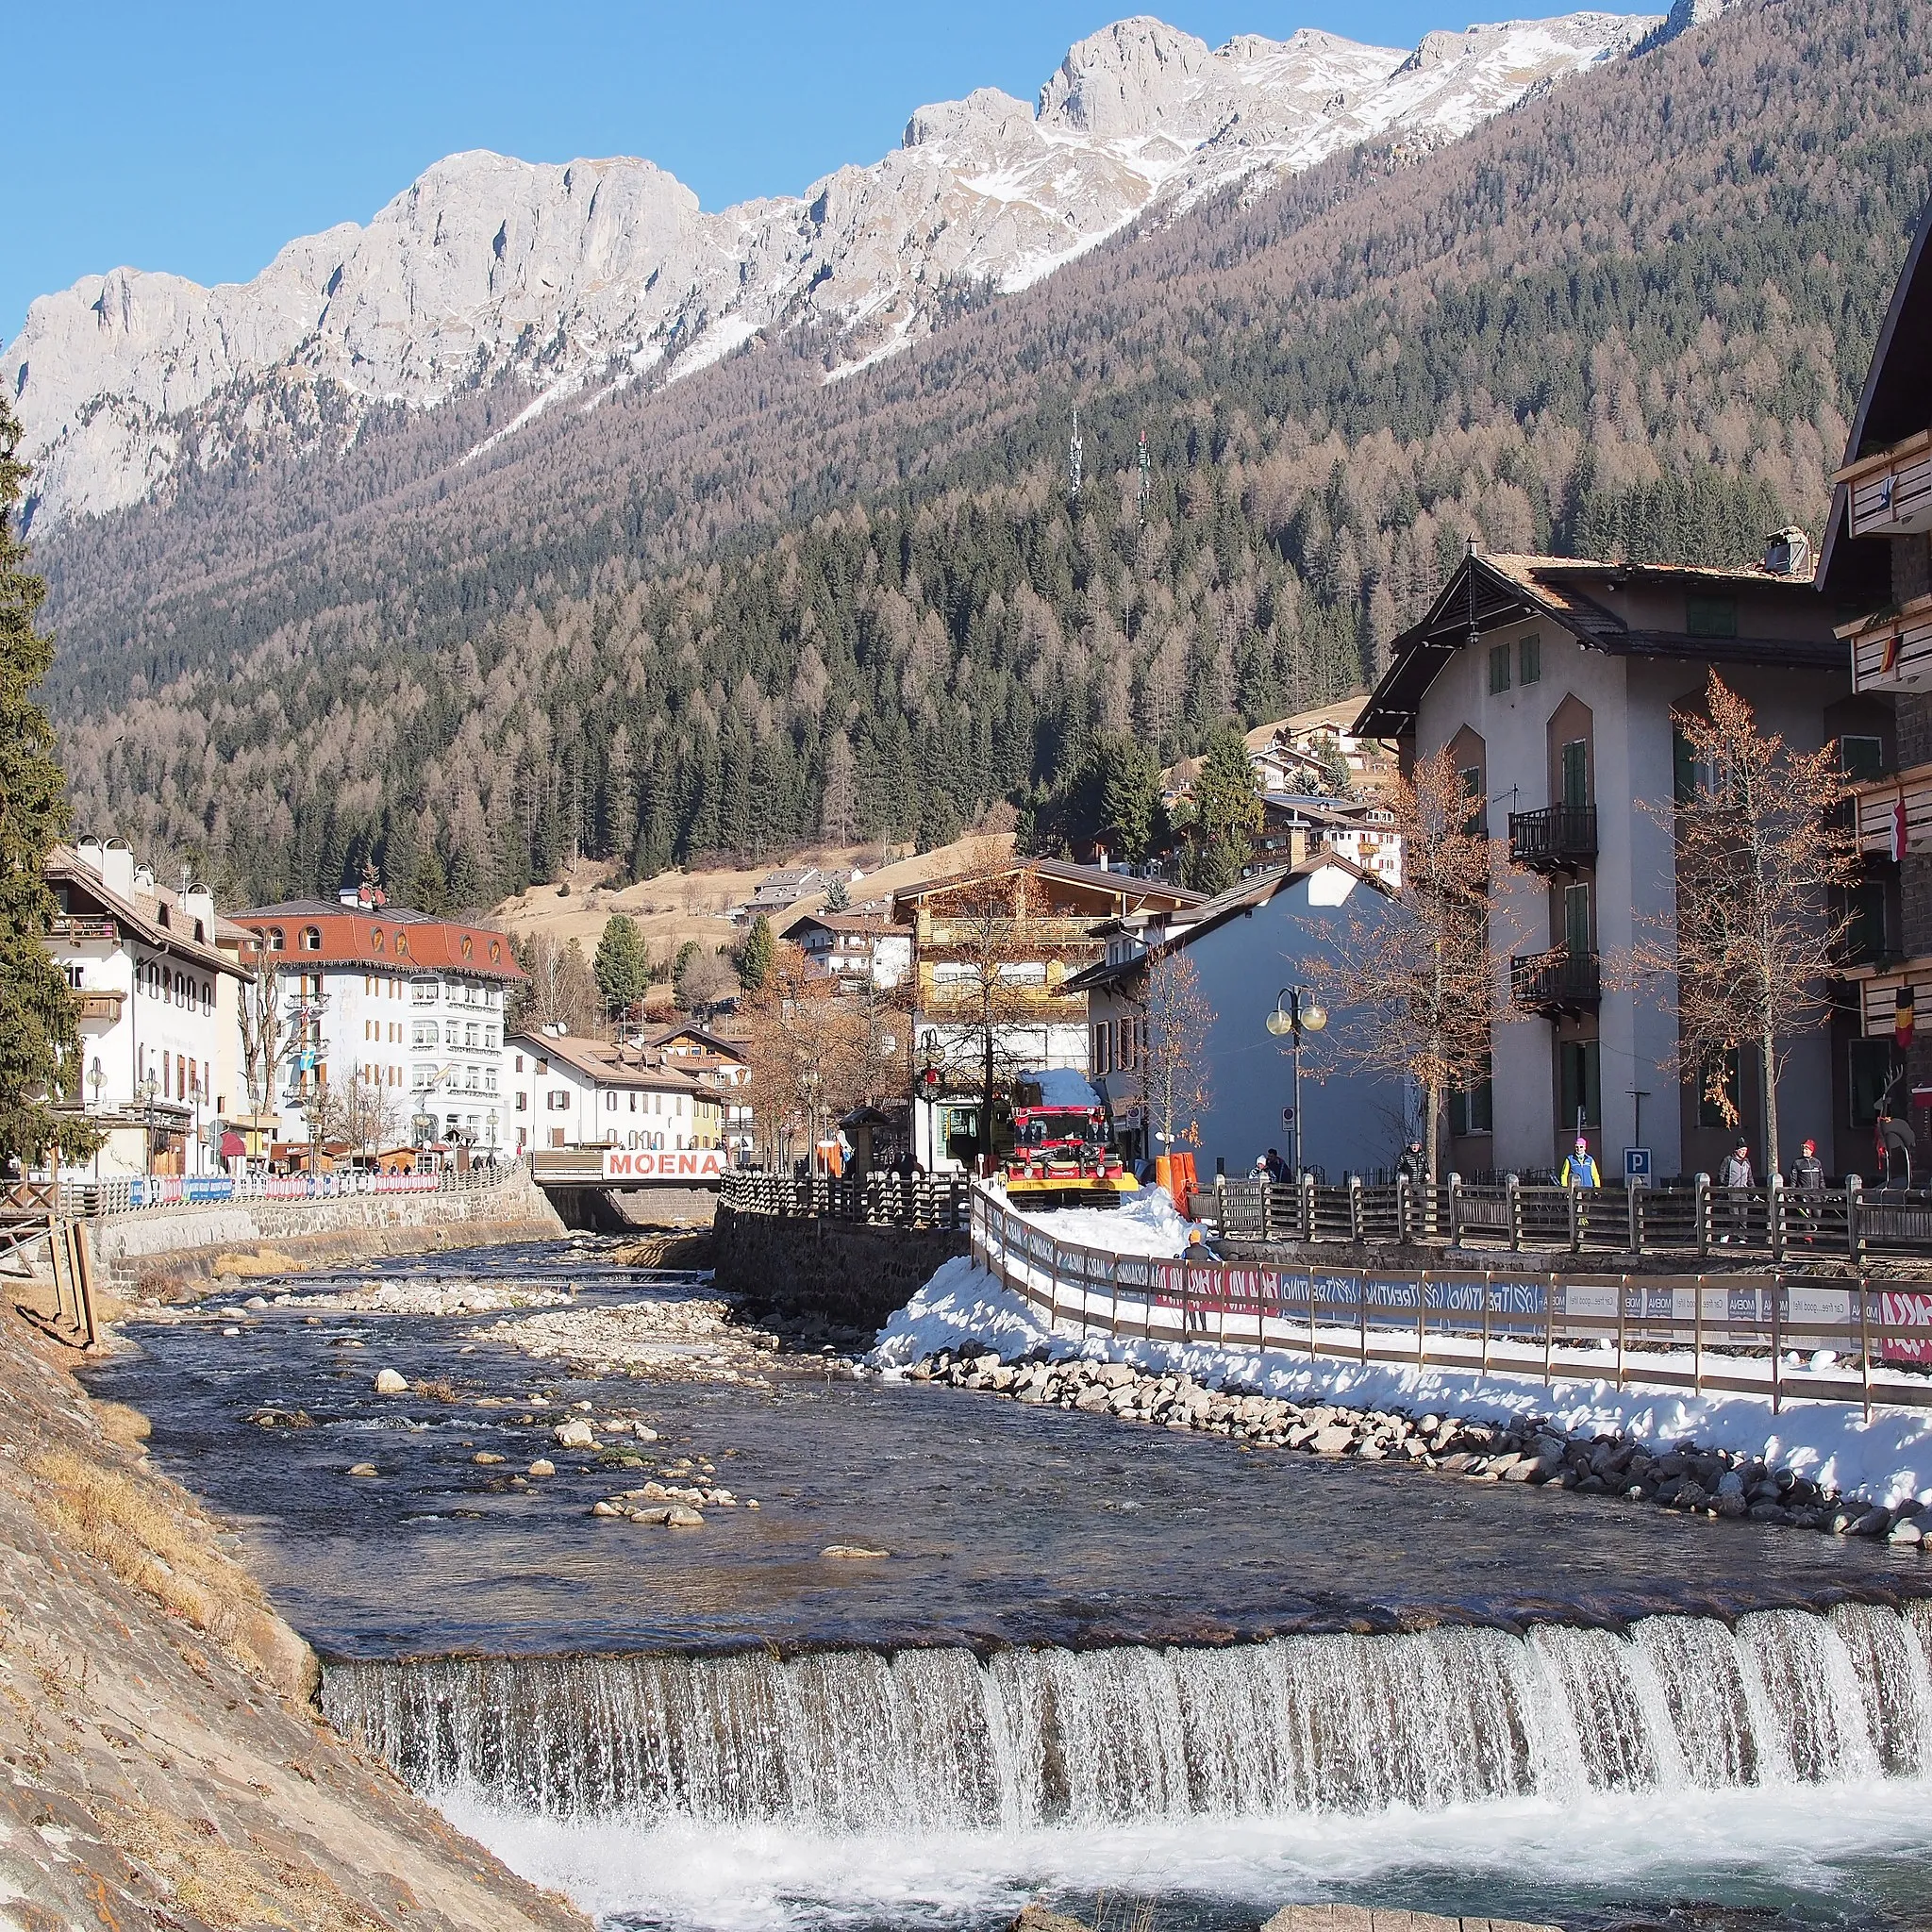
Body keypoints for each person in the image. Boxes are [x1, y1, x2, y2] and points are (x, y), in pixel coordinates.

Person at [1789, 1137, 1825, 1246]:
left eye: (1807, 1149)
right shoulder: (1797, 1163)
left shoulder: (1817, 1163)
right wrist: (1792, 1194)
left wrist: (1824, 1192)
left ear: (1812, 1150)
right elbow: (1793, 1179)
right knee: (1806, 1216)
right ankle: (1807, 1238)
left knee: (1817, 1215)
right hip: (1804, 1193)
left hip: (1816, 1194)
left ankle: (1816, 1235)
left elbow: (1821, 1179)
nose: (1805, 1151)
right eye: (1803, 1149)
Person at [1718, 1136, 1754, 1242]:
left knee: (1743, 1216)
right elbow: (1721, 1174)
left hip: (1743, 1192)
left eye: (1745, 1151)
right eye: (1741, 1150)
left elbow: (1750, 1178)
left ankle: (1742, 1237)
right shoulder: (1728, 1160)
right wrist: (1725, 1185)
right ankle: (1726, 1234)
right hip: (1731, 1192)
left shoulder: (1747, 1162)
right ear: (1736, 1150)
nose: (1743, 1153)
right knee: (1733, 1215)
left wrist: (1753, 1191)